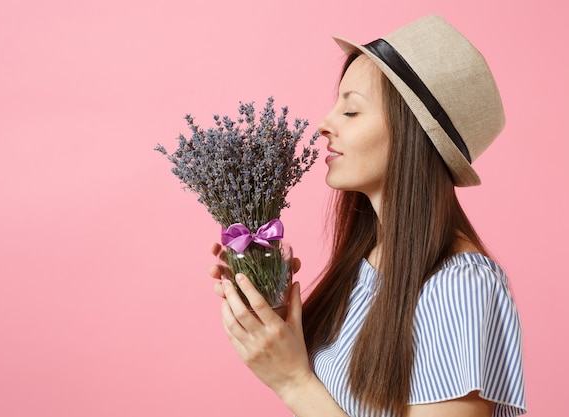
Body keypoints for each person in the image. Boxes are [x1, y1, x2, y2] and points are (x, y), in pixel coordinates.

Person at [210, 14, 526, 417]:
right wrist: (268, 314)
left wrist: (292, 381)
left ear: (412, 135)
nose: (324, 125)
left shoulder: (460, 286)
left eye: (352, 112)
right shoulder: (368, 263)